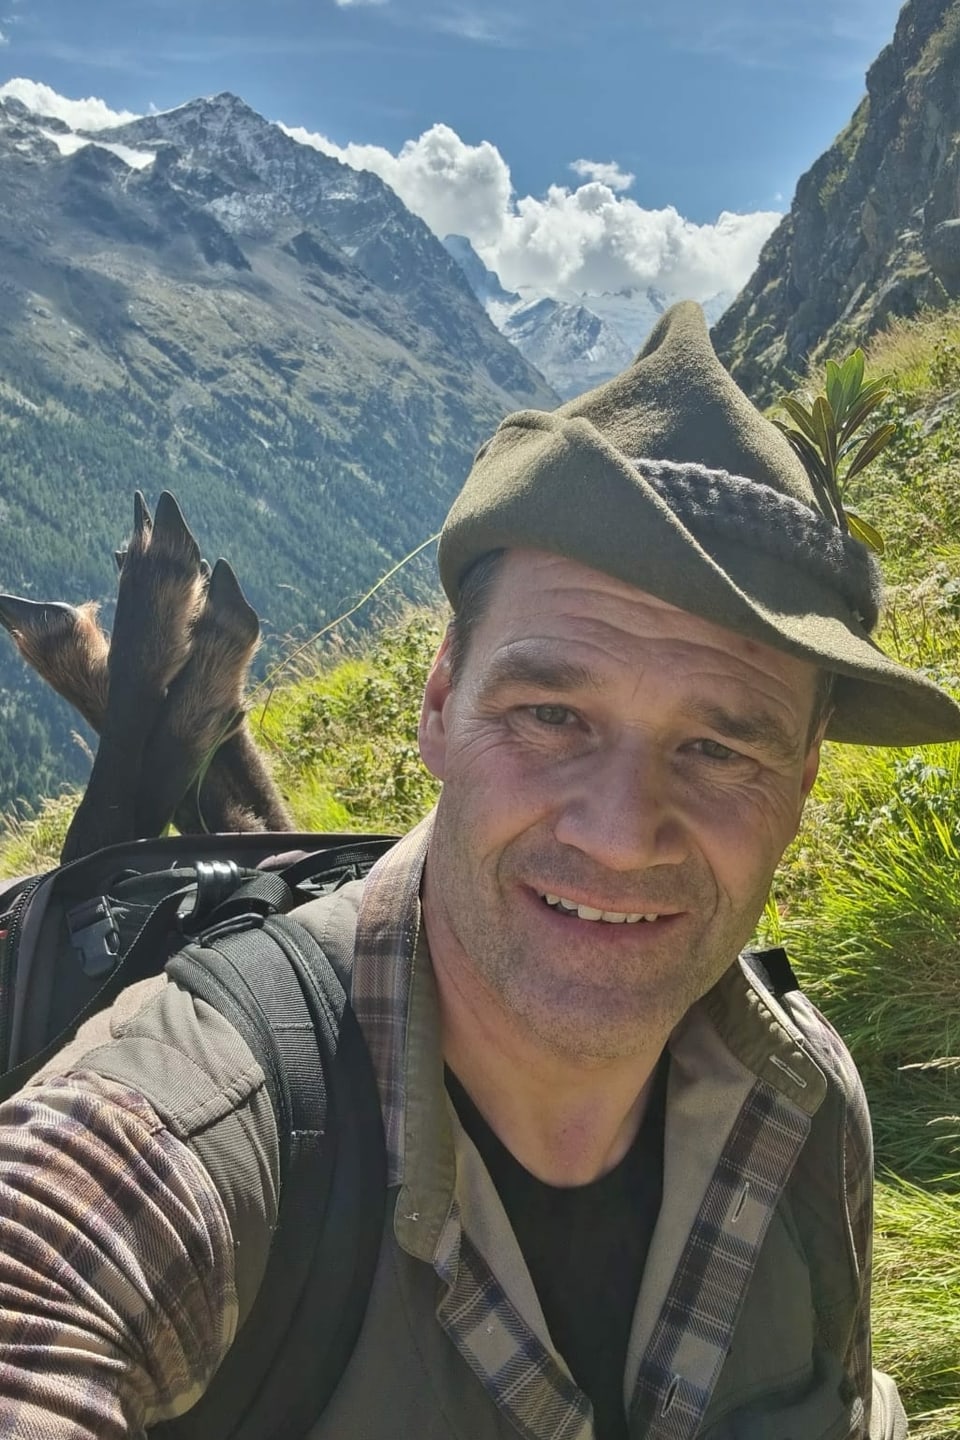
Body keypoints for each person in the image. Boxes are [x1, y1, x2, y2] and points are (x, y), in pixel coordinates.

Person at [1, 302, 958, 1440]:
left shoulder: (806, 1105)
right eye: (550, 713)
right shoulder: (193, 1128)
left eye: (718, 747)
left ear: (802, 780)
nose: (618, 832)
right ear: (442, 703)